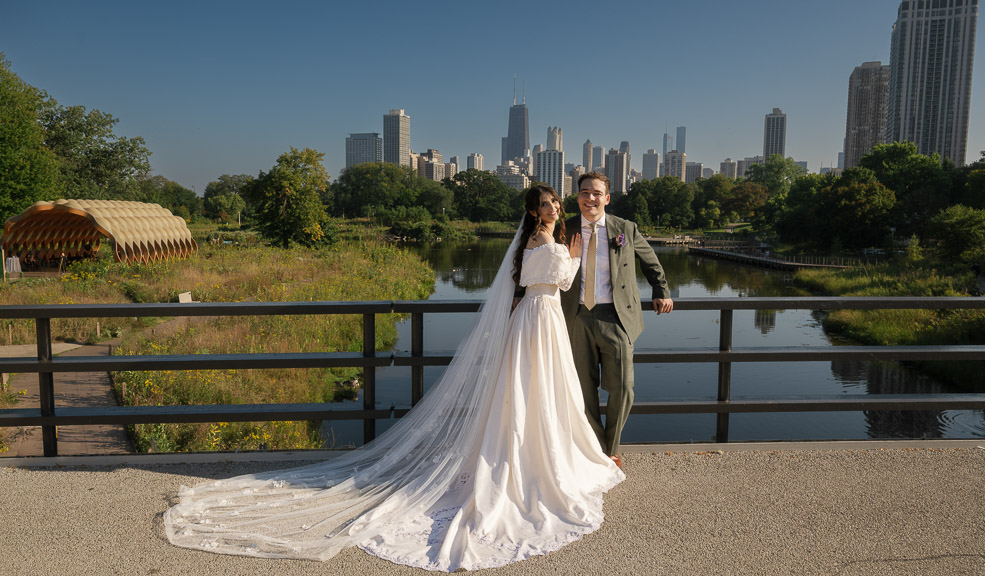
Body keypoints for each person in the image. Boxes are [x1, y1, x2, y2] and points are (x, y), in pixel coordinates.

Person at [163, 184, 623, 572]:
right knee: (534, 389)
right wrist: (576, 250)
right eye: (546, 204)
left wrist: (568, 249)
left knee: (535, 390)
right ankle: (529, 459)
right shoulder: (544, 240)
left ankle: (532, 451)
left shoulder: (539, 239)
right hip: (541, 319)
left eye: (555, 203)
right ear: (532, 210)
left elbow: (539, 284)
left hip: (537, 321)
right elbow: (563, 280)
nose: (553, 208)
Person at [561, 172, 673, 469]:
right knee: (582, 389)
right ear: (578, 197)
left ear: (606, 198)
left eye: (596, 193)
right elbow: (539, 260)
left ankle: (611, 447)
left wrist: (661, 290)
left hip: (616, 316)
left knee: (623, 387)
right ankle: (597, 448)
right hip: (575, 317)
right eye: (585, 193)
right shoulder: (564, 228)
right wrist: (520, 294)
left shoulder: (625, 228)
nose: (590, 198)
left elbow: (651, 262)